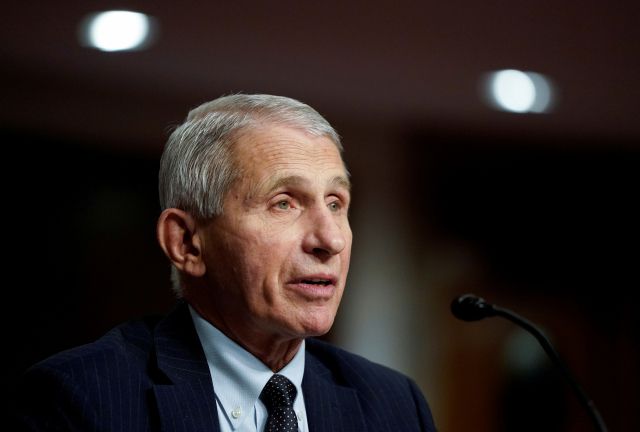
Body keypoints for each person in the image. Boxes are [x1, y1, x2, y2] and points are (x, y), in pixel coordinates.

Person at [15, 94, 437, 431]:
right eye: (284, 203)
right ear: (186, 243)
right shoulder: (81, 398)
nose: (330, 240)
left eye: (335, 203)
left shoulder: (394, 404)